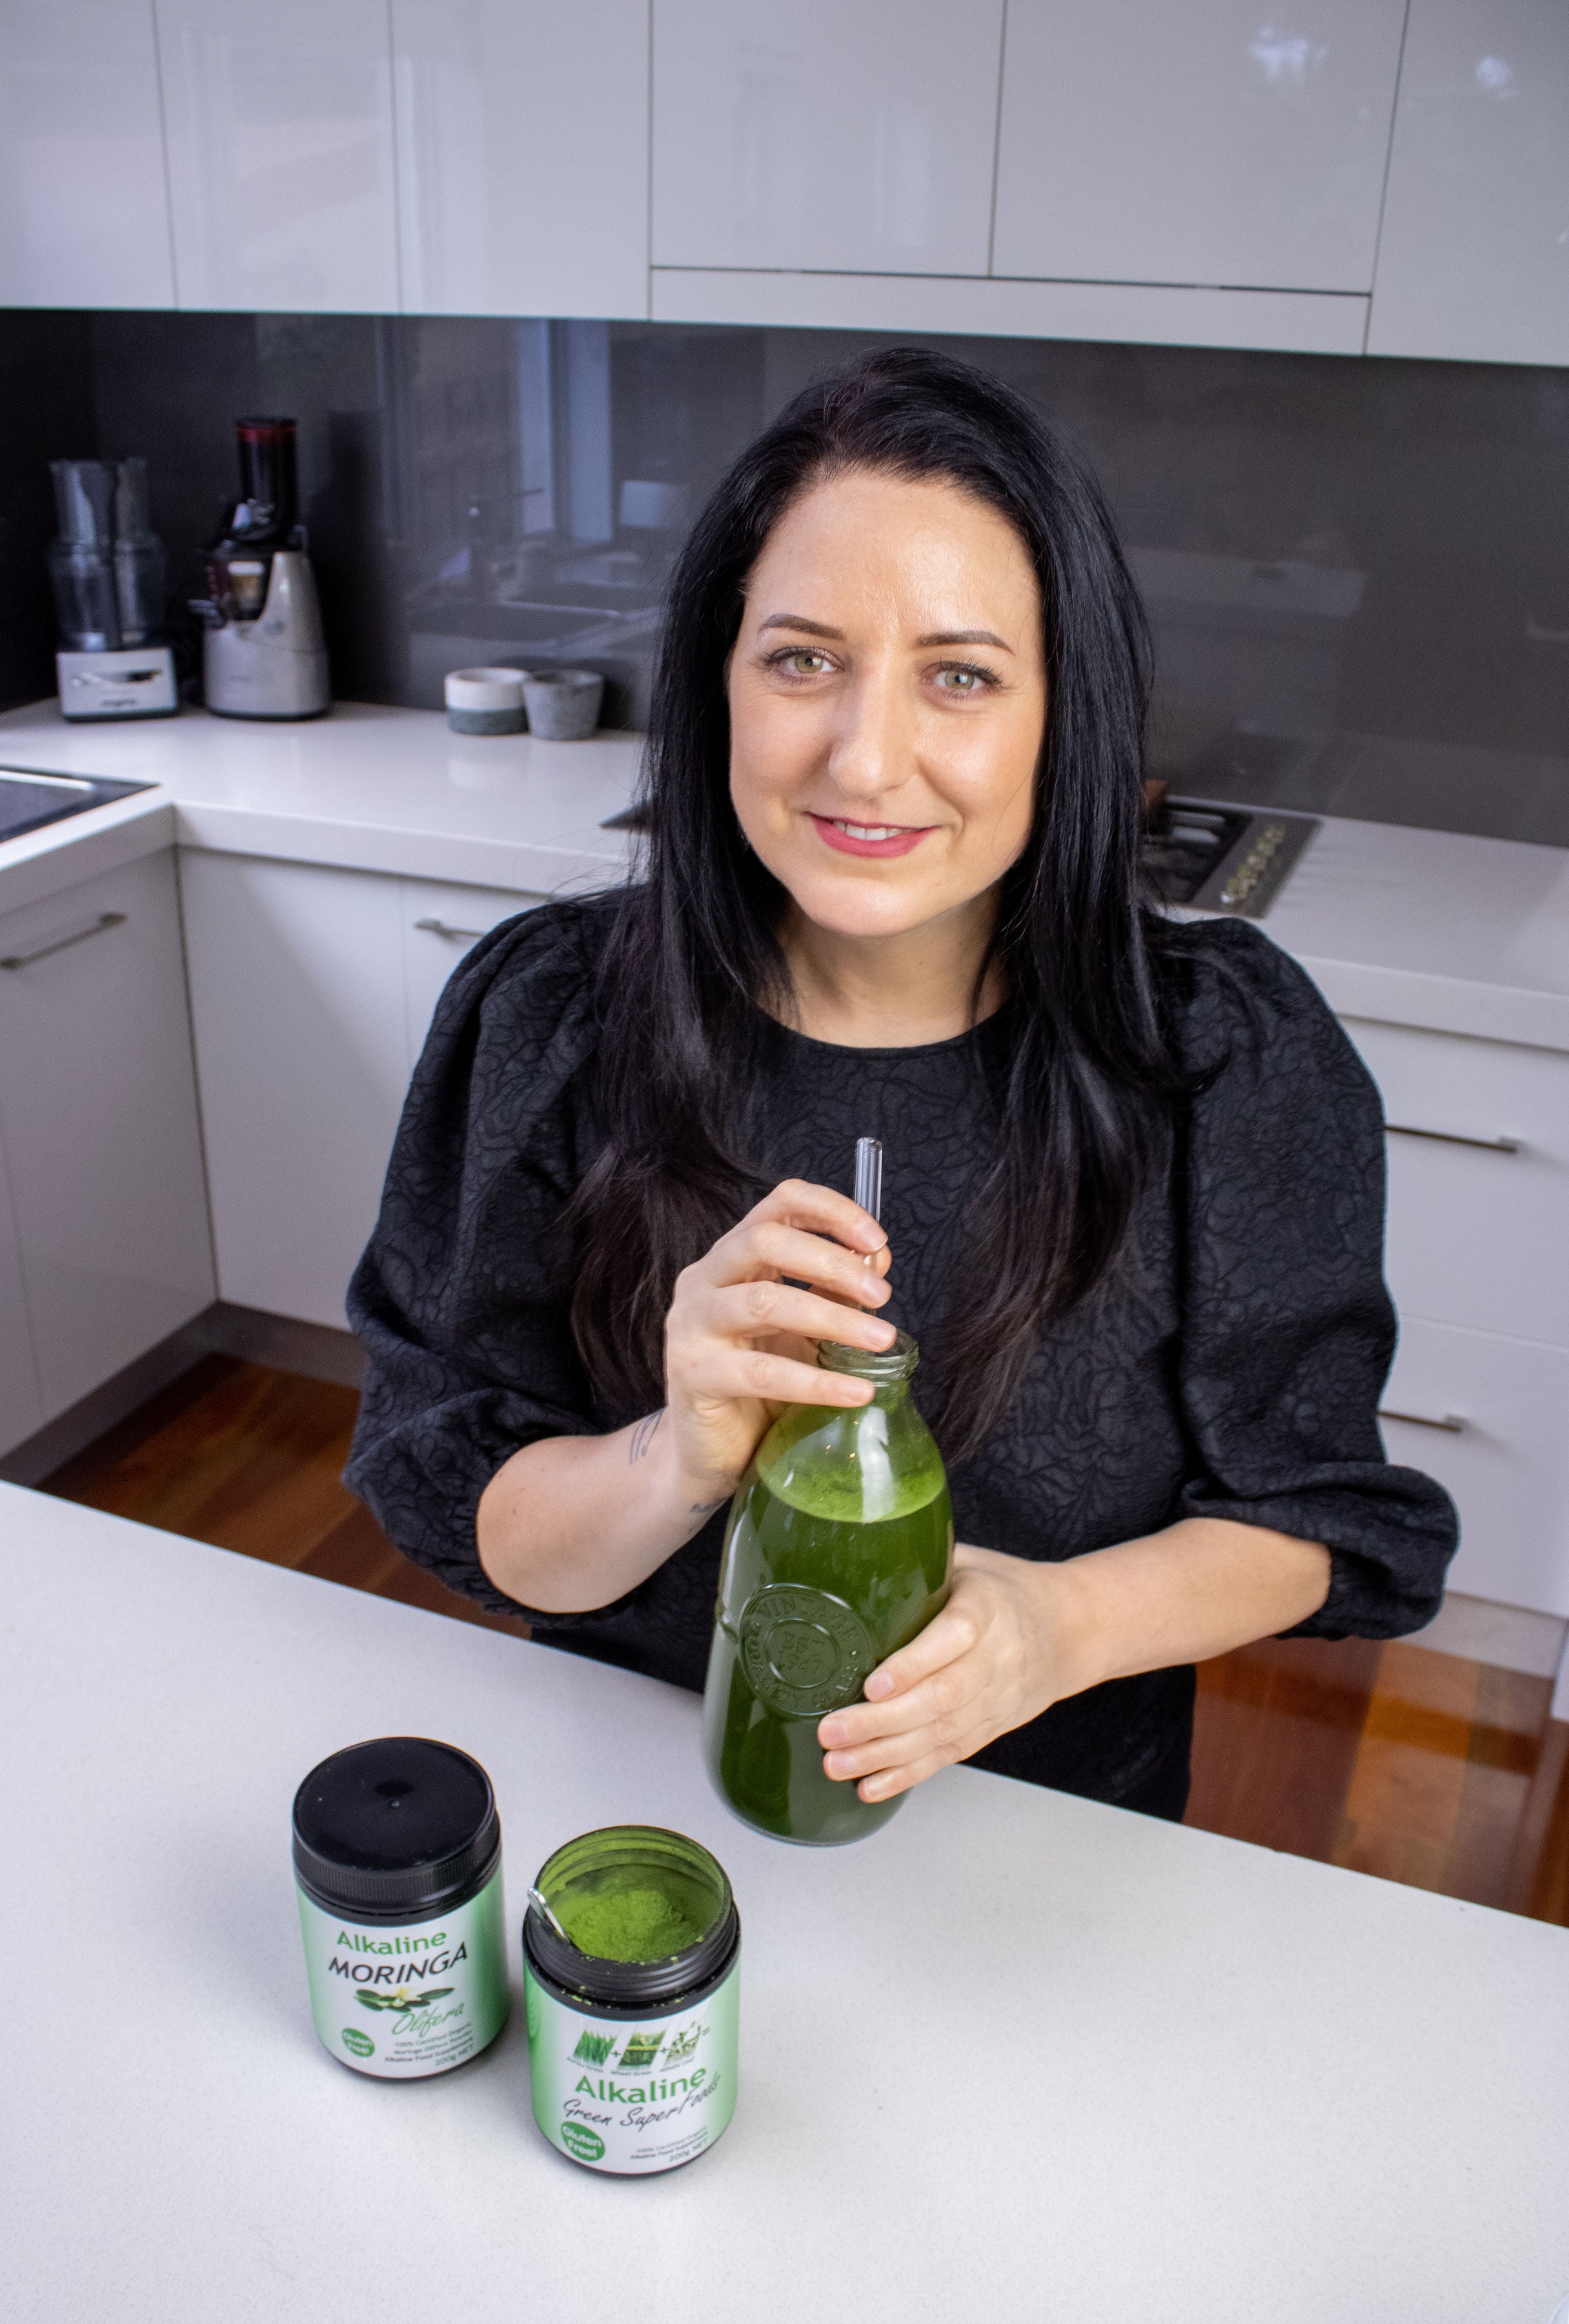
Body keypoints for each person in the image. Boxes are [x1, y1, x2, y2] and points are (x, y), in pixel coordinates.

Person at [345, 347, 1455, 1823]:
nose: (867, 760)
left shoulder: (1220, 1059)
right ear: (718, 682)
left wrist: (1060, 1629)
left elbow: (1317, 1518)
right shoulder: (549, 1019)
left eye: (960, 677)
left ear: (1065, 713)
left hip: (1046, 1840)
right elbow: (471, 1506)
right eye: (802, 659)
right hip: (632, 1804)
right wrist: (670, 1453)